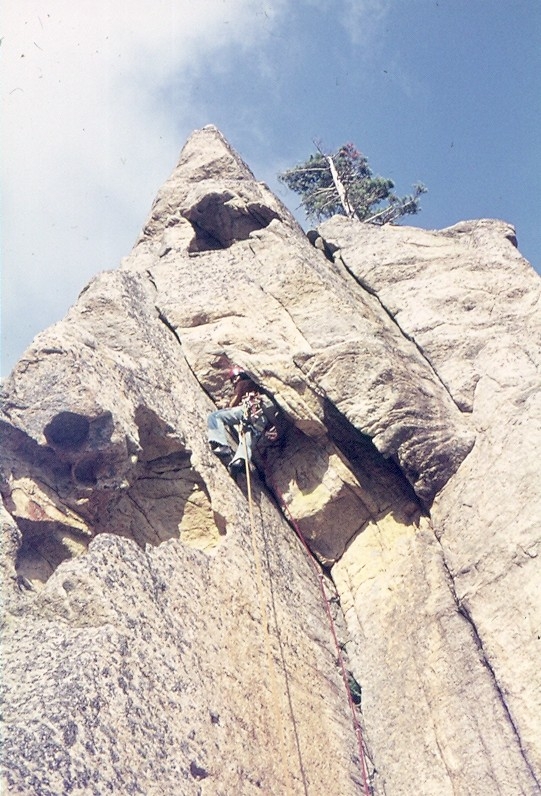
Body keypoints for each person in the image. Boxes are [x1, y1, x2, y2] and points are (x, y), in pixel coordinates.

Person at [207, 367, 279, 478]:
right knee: (247, 441)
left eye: (234, 379)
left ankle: (221, 445)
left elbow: (234, 403)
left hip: (247, 411)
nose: (233, 382)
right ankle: (239, 461)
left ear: (238, 377)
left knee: (216, 417)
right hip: (261, 420)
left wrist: (224, 405)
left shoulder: (243, 384)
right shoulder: (256, 387)